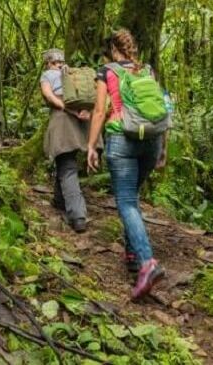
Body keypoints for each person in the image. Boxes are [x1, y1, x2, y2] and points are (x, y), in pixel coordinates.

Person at [86, 29, 169, 300]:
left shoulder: (107, 71)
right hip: (152, 140)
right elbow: (162, 109)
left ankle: (147, 262)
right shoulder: (146, 70)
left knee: (126, 202)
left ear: (113, 48)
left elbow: (99, 110)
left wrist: (91, 145)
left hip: (122, 138)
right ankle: (133, 254)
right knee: (133, 197)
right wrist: (163, 149)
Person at [40, 49, 92, 233]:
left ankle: (78, 216)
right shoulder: (72, 74)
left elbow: (48, 95)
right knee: (66, 161)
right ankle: (59, 200)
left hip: (63, 122)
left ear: (48, 63)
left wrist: (63, 106)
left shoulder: (47, 74)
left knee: (67, 166)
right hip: (82, 124)